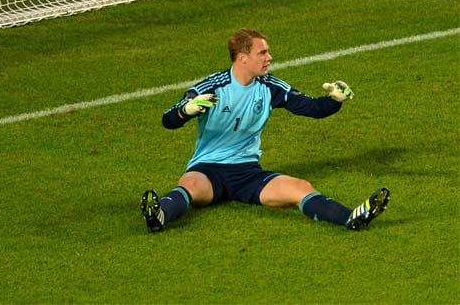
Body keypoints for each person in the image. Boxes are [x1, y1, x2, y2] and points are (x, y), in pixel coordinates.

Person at [141, 28, 389, 233]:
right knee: (190, 185)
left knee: (300, 187)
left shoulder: (270, 87)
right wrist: (187, 111)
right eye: (263, 52)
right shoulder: (213, 86)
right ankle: (159, 215)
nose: (269, 57)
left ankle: (351, 217)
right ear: (242, 58)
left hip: (248, 173)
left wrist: (334, 100)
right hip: (208, 170)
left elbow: (312, 108)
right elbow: (168, 120)